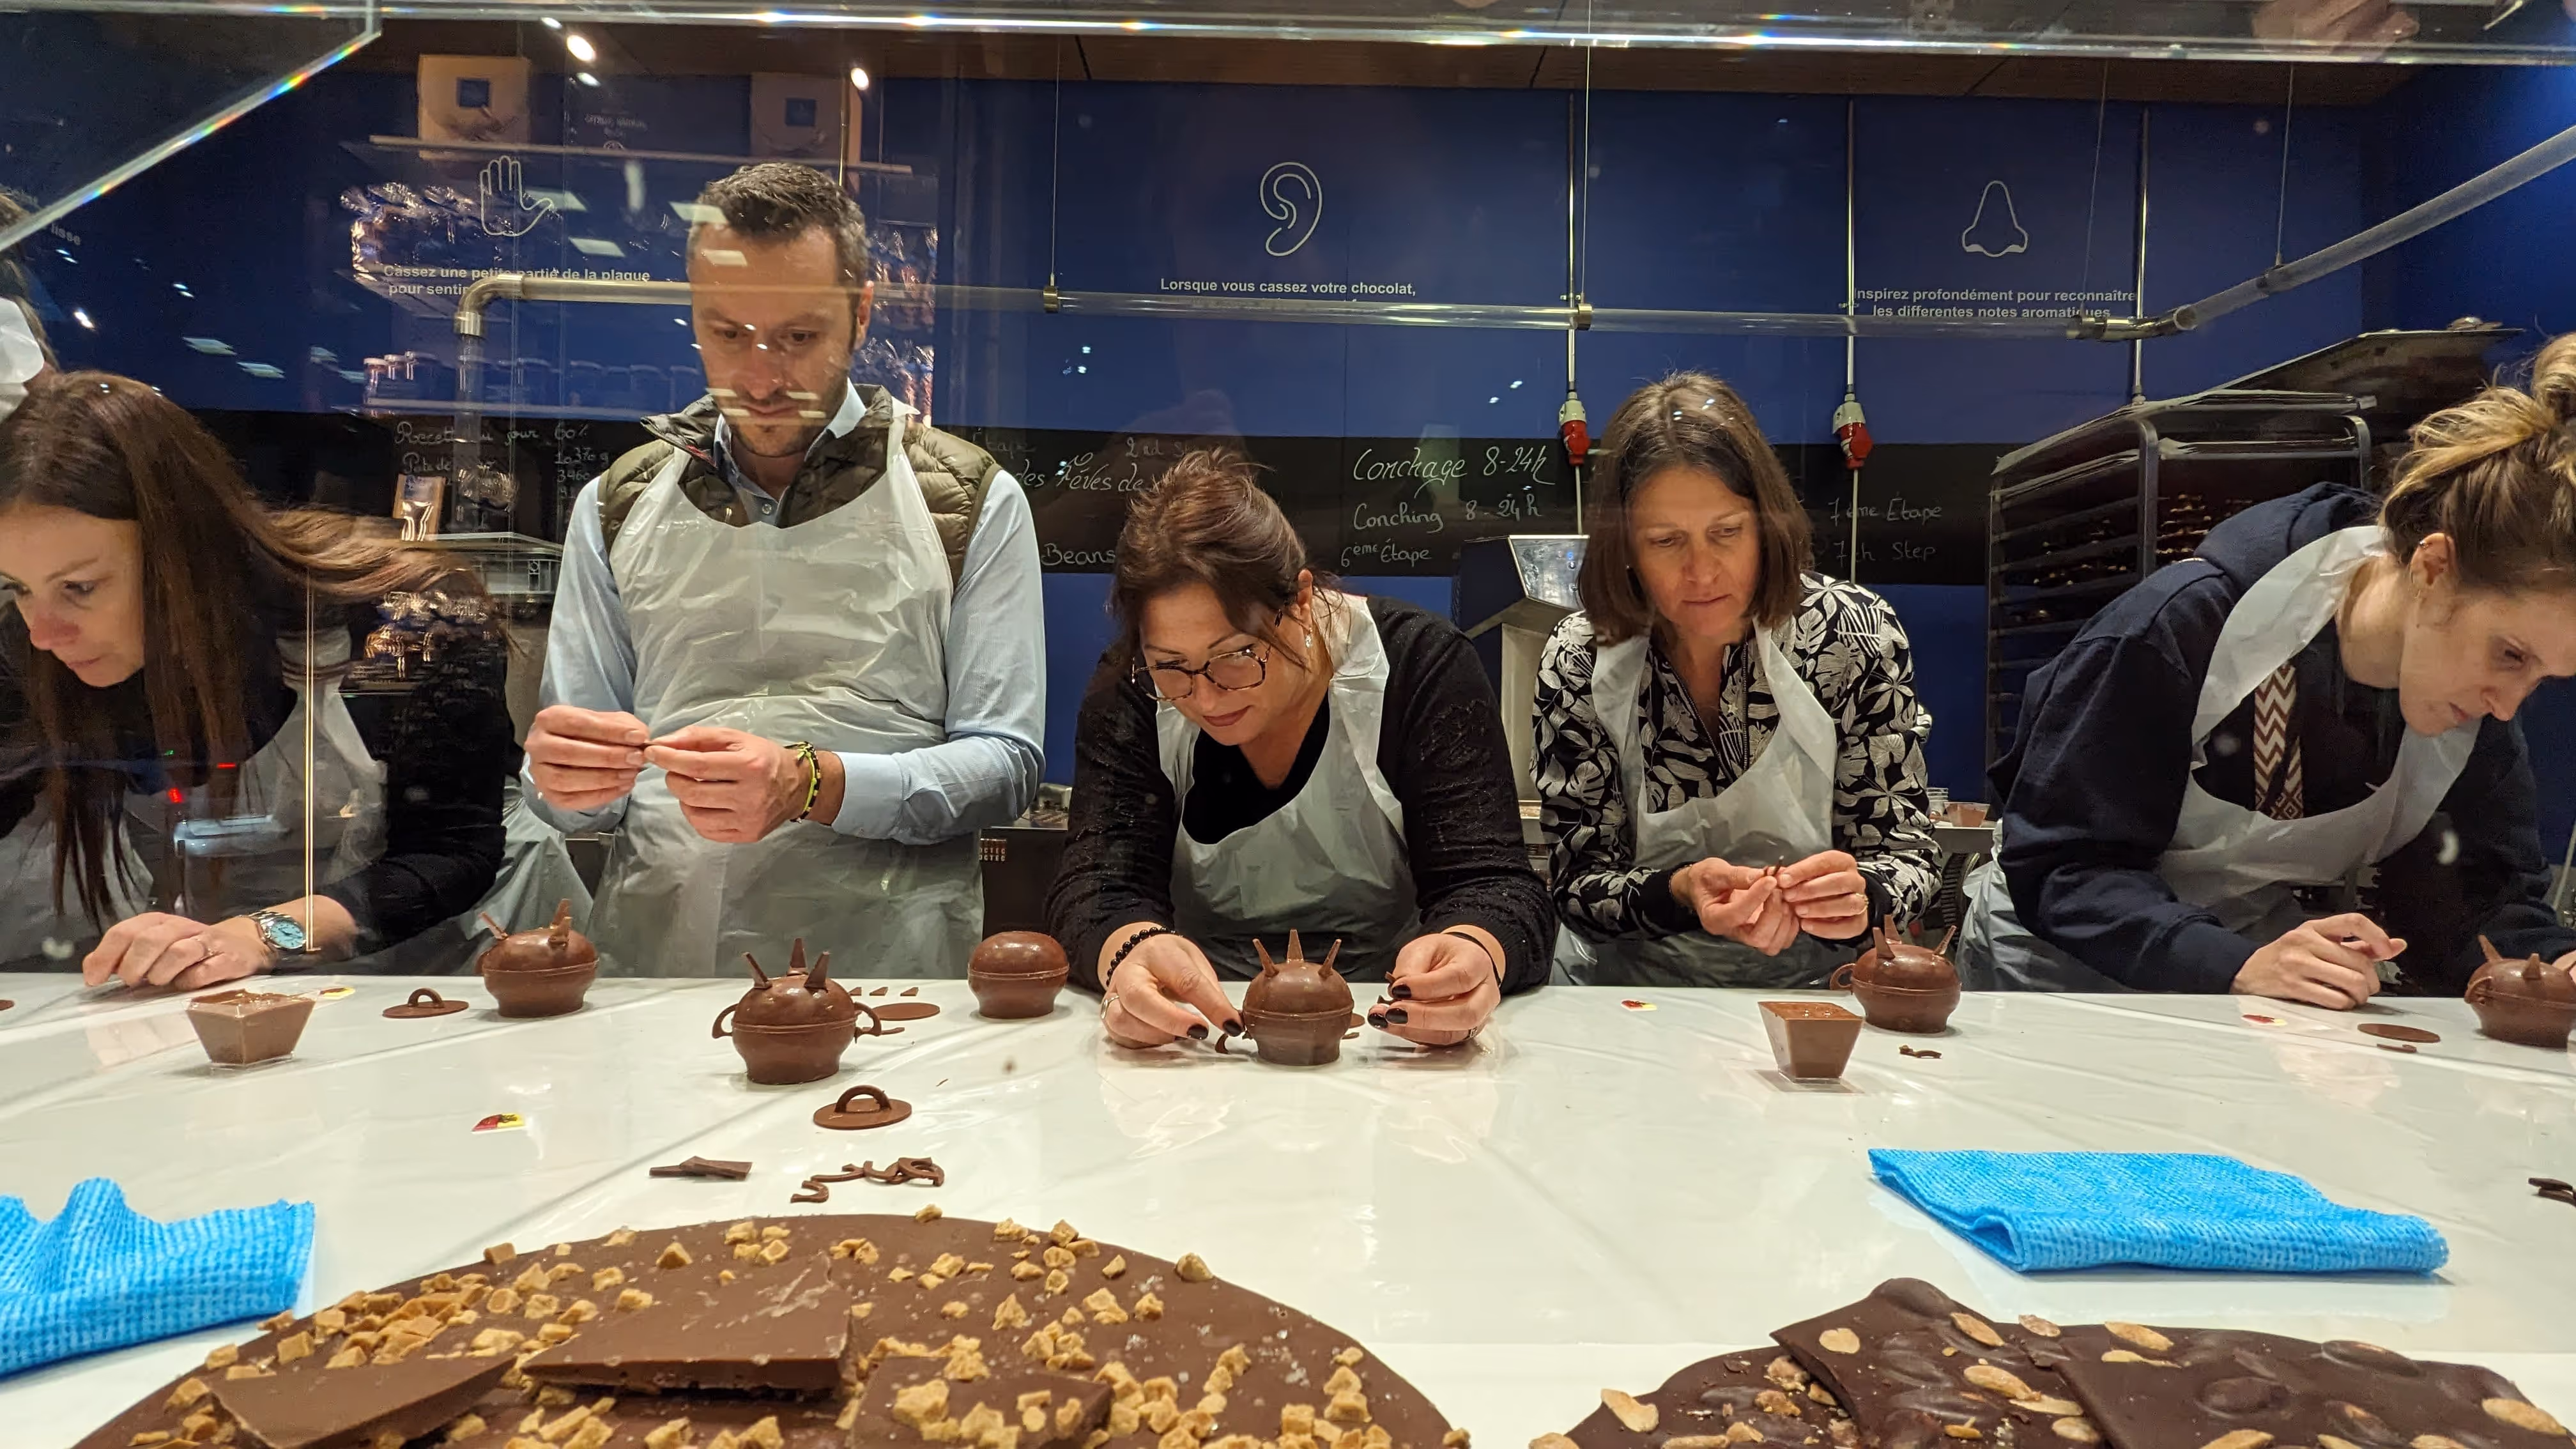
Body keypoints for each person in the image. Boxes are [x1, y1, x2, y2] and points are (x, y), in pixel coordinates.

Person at [523, 162, 1043, 975]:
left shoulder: (968, 499)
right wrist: (559, 778)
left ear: (862, 316)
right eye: (727, 334)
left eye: (799, 337)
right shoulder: (615, 503)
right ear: (694, 317)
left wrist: (812, 784)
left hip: (890, 973)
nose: (762, 377)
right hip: (661, 963)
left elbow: (1005, 765)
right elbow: (577, 806)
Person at [1960, 339, 2576, 1006]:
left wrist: (2552, 963)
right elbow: (2066, 866)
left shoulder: (2471, 712)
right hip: (2062, 967)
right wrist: (2230, 963)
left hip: (2247, 957)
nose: (2509, 704)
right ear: (2431, 568)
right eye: (2510, 654)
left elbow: (2475, 898)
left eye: (2542, 677)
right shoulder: (2181, 630)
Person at [0, 371, 516, 985]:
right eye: (18, 589)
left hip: (398, 989)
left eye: (80, 588)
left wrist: (263, 934)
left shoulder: (399, 621)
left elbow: (448, 853)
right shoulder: (22, 652)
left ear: (186, 554)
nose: (43, 633)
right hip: (172, 985)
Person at [1047, 450, 1553, 1048]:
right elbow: (1096, 887)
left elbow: (1494, 885)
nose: (1206, 698)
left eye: (1236, 656)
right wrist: (1128, 949)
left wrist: (1474, 948)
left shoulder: (1417, 667)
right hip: (1196, 1027)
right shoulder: (1131, 689)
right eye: (1173, 668)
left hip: (1388, 1030)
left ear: (1302, 601)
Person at [1532, 373, 1943, 986]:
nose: (1701, 571)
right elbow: (1576, 880)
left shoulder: (1850, 635)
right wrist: (1680, 891)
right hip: (1633, 998)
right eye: (1666, 541)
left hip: (1824, 989)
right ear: (1626, 549)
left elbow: (1906, 850)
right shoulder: (1580, 659)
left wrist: (1863, 896)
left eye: (1727, 532)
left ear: (1766, 527)